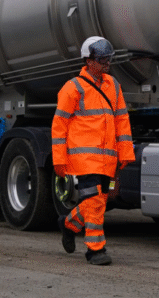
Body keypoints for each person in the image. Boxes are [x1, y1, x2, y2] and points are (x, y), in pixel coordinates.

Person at [51, 36, 135, 265]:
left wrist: (125, 154)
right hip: (84, 159)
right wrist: (59, 160)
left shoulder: (113, 86)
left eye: (109, 58)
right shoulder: (73, 88)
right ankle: (95, 249)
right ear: (88, 61)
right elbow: (59, 126)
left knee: (100, 200)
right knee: (95, 200)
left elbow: (122, 121)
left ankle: (68, 224)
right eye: (102, 59)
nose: (107, 63)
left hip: (108, 159)